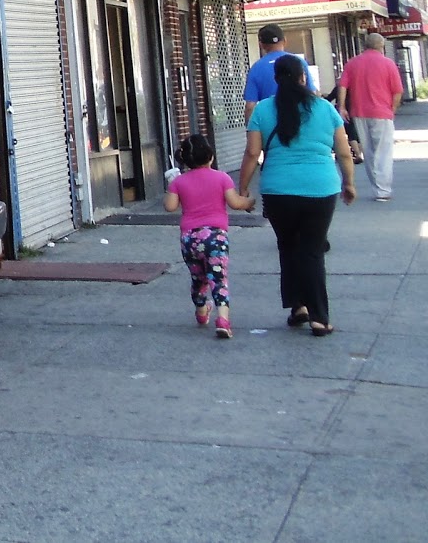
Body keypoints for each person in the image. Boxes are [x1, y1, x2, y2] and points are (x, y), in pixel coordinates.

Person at [238, 54, 356, 336]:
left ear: (276, 80)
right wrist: (349, 182)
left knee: (288, 246)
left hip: (278, 190)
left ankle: (298, 306)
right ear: (304, 77)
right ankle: (319, 317)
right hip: (321, 188)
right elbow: (343, 152)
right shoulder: (325, 109)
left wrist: (242, 188)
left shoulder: (263, 110)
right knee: (312, 251)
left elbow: (253, 153)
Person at [164, 134, 256, 339]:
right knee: (218, 278)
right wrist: (249, 202)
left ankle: (201, 309)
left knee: (198, 279)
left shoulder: (179, 182)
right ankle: (223, 319)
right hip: (216, 237)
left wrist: (172, 185)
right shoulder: (222, 177)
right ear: (211, 156)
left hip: (190, 239)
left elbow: (170, 207)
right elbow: (235, 203)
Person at [338, 32, 403, 201]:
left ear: (364, 45)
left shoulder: (352, 63)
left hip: (359, 112)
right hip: (382, 113)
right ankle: (383, 190)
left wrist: (342, 106)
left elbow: (343, 86)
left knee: (368, 150)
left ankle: (377, 184)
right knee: (383, 150)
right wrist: (392, 109)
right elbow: (397, 91)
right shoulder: (388, 64)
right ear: (381, 46)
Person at [242, 22, 312, 117]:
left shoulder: (256, 68)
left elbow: (250, 106)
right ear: (285, 40)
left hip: (270, 124)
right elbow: (312, 94)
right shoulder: (298, 62)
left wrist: (251, 129)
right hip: (300, 120)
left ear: (261, 45)